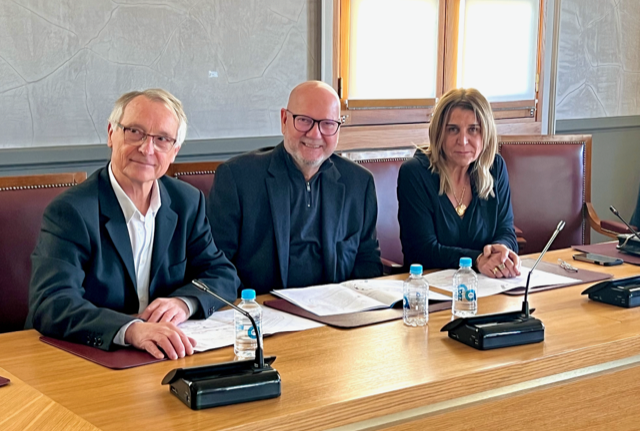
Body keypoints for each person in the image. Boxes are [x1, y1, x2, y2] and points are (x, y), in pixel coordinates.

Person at [27, 89, 240, 359]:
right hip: (87, 357)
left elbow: (222, 274)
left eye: (162, 139)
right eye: (135, 132)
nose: (147, 149)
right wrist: (130, 330)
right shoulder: (71, 211)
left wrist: (184, 303)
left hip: (163, 355)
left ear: (174, 151)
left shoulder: (186, 202)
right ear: (111, 134)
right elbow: (52, 303)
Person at [207, 80, 383, 294]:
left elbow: (367, 262)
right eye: (304, 120)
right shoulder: (238, 178)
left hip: (336, 308)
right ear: (284, 120)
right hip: (262, 307)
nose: (315, 134)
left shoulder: (358, 183)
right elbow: (216, 266)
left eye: (327, 123)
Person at [397, 88, 520, 278]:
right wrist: (477, 260)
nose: (462, 141)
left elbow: (506, 230)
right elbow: (420, 251)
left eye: (473, 129)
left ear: (486, 133)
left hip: (489, 283)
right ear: (439, 133)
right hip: (431, 287)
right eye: (452, 129)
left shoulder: (495, 168)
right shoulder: (415, 173)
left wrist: (501, 251)